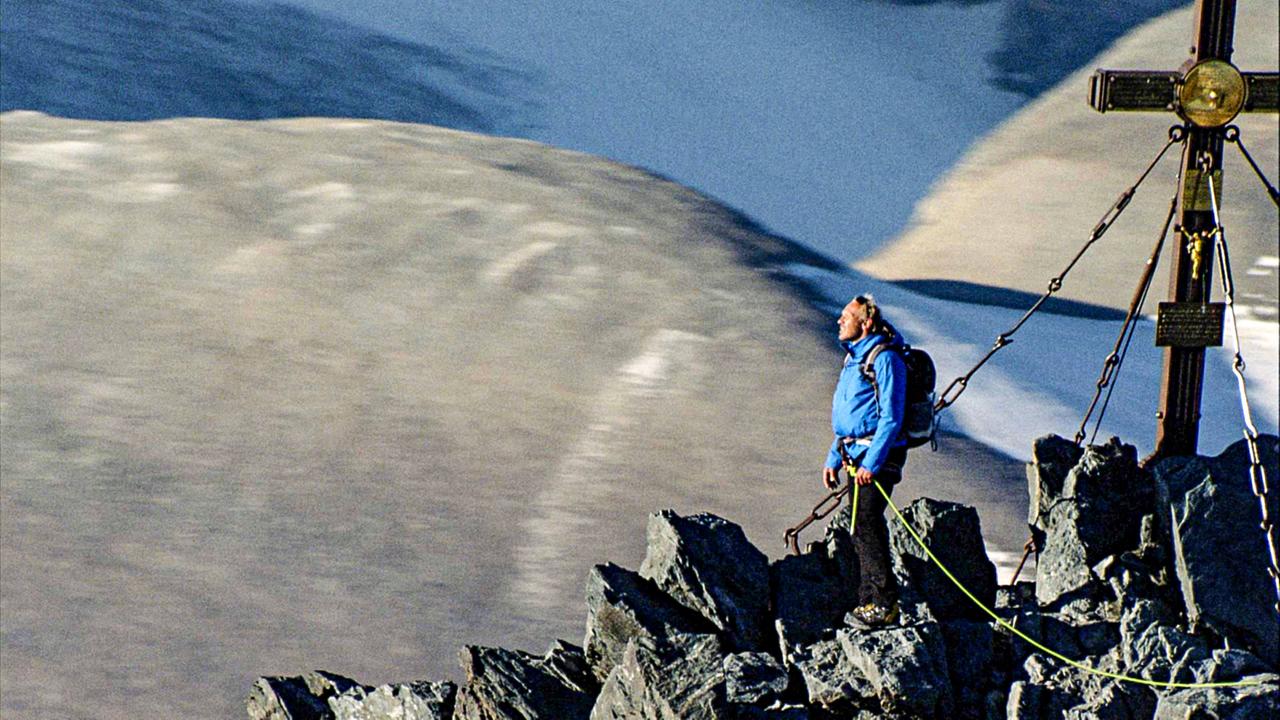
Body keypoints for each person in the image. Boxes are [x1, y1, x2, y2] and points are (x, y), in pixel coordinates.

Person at [822, 293, 908, 626]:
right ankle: (868, 600)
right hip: (854, 455)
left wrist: (872, 464)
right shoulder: (853, 360)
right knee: (859, 526)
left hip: (877, 456)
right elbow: (849, 419)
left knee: (866, 523)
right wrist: (833, 457)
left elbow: (891, 417)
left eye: (848, 315)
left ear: (866, 322)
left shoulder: (884, 359)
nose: (840, 320)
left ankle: (884, 604)